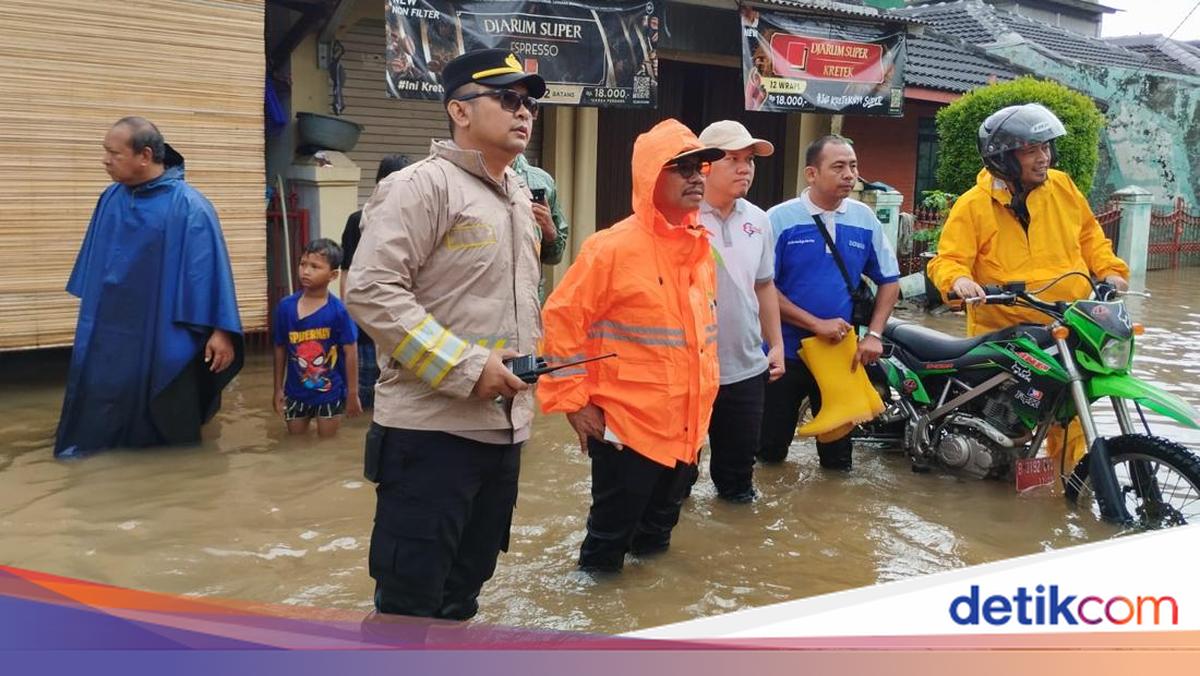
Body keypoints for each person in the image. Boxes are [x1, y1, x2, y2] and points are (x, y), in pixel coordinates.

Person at [344, 49, 545, 620]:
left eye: (529, 102)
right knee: (408, 606)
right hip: (430, 436)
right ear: (459, 109)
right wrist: (465, 366)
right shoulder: (421, 187)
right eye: (507, 99)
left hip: (503, 434)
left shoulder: (517, 199)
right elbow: (371, 291)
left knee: (464, 594)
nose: (523, 112)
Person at [539, 118, 723, 573]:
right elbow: (561, 321)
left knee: (657, 540)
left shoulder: (700, 250)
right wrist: (574, 403)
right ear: (650, 176)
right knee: (607, 547)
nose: (697, 176)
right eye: (681, 167)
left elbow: (698, 344)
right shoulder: (610, 248)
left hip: (687, 429)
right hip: (625, 429)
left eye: (700, 166)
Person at [927, 103, 1129, 468]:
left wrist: (1111, 271)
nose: (1043, 158)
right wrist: (959, 281)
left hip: (1067, 325)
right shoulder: (973, 206)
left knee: (1069, 415)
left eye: (1046, 148)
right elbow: (949, 259)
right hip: (1006, 334)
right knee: (1004, 424)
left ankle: (1070, 488)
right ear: (1003, 158)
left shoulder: (1064, 187)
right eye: (1031, 150)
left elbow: (1091, 238)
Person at [54, 117, 242, 459]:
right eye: (105, 152)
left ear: (144, 155)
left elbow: (210, 271)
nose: (105, 160)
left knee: (167, 413)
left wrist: (221, 330)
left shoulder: (190, 207)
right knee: (102, 409)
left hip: (165, 329)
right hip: (113, 330)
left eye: (113, 153)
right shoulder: (109, 199)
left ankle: (172, 475)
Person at [759, 135, 901, 470]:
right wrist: (815, 324)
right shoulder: (778, 220)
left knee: (838, 461)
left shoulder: (864, 219)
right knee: (769, 453)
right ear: (811, 174)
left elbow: (890, 281)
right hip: (784, 354)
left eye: (853, 166)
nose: (849, 175)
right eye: (838, 167)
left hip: (842, 356)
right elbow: (761, 288)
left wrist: (874, 335)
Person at [695, 120, 784, 503]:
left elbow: (764, 285)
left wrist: (776, 345)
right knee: (675, 480)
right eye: (733, 159)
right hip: (691, 371)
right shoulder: (680, 218)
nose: (745, 168)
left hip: (747, 367)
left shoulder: (759, 220)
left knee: (738, 484)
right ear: (704, 166)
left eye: (749, 160)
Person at [341, 154, 410, 410]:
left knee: (397, 388)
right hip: (366, 320)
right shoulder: (358, 221)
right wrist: (350, 315)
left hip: (401, 320)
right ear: (379, 183)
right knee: (365, 389)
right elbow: (348, 272)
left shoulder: (413, 222)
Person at [274, 239, 361, 437]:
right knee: (295, 444)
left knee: (327, 446)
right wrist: (277, 389)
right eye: (303, 264)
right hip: (295, 392)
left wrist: (353, 393)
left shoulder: (339, 311)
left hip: (330, 393)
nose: (305, 271)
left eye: (315, 266)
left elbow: (351, 352)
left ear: (333, 275)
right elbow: (279, 348)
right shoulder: (285, 307)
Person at [510, 153, 569, 302]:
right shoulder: (458, 179)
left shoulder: (542, 181)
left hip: (528, 302)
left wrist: (550, 231)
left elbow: (555, 257)